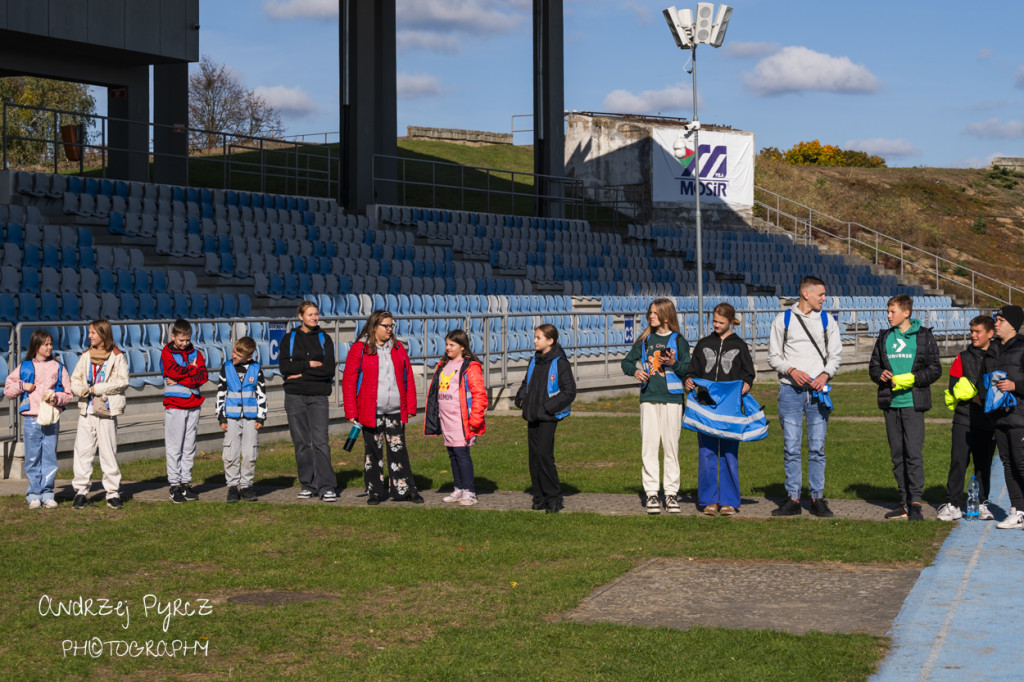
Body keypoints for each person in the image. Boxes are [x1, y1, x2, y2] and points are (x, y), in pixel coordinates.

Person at [768, 275, 842, 517]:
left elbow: (835, 356)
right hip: (790, 391)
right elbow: (773, 356)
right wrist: (791, 370)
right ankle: (793, 499)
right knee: (791, 447)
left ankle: (817, 498)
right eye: (820, 294)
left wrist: (825, 375)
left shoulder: (827, 320)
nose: (824, 298)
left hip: (818, 393)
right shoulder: (784, 319)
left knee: (817, 448)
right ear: (805, 294)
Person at [868, 294, 941, 521]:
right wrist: (880, 374)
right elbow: (873, 367)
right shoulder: (884, 337)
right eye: (887, 312)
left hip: (913, 404)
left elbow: (935, 369)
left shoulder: (924, 336)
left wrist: (914, 379)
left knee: (913, 454)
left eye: (892, 312)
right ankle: (904, 502)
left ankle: (916, 503)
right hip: (890, 404)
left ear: (906, 313)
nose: (888, 316)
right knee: (897, 455)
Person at [342, 310, 422, 504]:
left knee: (399, 450)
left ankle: (404, 489)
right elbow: (349, 380)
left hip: (394, 409)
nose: (389, 329)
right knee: (373, 452)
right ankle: (375, 491)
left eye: (391, 326)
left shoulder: (398, 348)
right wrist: (351, 411)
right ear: (374, 327)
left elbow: (408, 377)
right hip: (369, 411)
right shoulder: (359, 349)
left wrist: (410, 405)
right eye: (385, 326)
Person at [619, 297, 690, 514]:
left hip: (673, 399)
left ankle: (670, 494)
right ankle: (651, 494)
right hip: (648, 398)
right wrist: (635, 371)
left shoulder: (679, 341)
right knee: (649, 447)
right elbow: (626, 362)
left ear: (666, 315)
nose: (650, 316)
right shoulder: (645, 340)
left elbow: (687, 370)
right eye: (649, 312)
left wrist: (673, 363)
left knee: (671, 448)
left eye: (654, 312)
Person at [685, 303, 756, 516]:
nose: (716, 325)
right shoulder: (704, 343)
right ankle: (708, 500)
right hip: (706, 406)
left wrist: (747, 383)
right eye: (714, 321)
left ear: (731, 322)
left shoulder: (740, 345)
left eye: (721, 322)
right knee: (706, 454)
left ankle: (728, 501)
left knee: (728, 454)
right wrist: (688, 380)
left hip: (730, 409)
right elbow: (693, 370)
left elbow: (748, 373)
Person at [4, 329, 72, 509]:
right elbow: (8, 390)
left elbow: (68, 393)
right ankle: (34, 494)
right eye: (46, 344)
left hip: (51, 418)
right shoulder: (25, 366)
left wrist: (56, 398)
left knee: (49, 456)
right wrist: (22, 385)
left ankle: (48, 493)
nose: (50, 347)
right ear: (36, 346)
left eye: (51, 344)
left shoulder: (58, 367)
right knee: (33, 457)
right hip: (31, 419)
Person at [937, 315, 997, 521]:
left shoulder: (999, 356)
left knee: (983, 464)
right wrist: (975, 398)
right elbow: (953, 386)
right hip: (964, 418)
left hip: (989, 422)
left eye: (977, 332)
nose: (973, 335)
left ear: (990, 333)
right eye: (971, 331)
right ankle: (953, 504)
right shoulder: (961, 357)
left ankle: (981, 503)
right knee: (958, 462)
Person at [280, 301, 338, 502]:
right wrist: (310, 365)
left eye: (316, 314)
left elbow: (329, 370)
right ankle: (308, 483)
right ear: (300, 316)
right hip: (295, 396)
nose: (314, 318)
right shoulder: (290, 338)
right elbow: (285, 368)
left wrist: (301, 373)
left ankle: (327, 486)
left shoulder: (325, 338)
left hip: (318, 396)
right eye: (310, 314)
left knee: (321, 441)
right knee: (301, 442)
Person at [514, 324, 576, 514]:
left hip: (548, 417)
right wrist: (522, 398)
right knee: (534, 458)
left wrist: (549, 407)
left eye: (538, 337)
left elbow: (569, 391)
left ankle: (554, 497)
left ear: (550, 341)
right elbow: (526, 383)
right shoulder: (535, 360)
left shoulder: (560, 362)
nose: (534, 340)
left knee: (544, 456)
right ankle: (539, 496)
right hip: (532, 415)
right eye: (535, 337)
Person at [424, 329, 488, 507]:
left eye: (452, 345)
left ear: (462, 346)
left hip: (462, 420)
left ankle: (469, 490)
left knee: (462, 454)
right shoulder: (443, 365)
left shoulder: (469, 366)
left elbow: (479, 394)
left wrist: (475, 418)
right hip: (446, 418)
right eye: (446, 344)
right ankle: (458, 487)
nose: (447, 348)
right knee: (452, 454)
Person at [70, 320, 129, 510]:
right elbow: (75, 379)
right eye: (89, 333)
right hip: (86, 411)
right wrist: (81, 390)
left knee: (108, 452)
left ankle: (112, 493)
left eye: (93, 333)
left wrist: (99, 388)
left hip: (106, 410)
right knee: (83, 452)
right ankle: (80, 492)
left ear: (103, 335)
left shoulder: (117, 356)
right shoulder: (86, 356)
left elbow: (123, 381)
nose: (89, 336)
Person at [161, 318, 208, 504]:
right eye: (181, 340)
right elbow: (173, 372)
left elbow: (203, 375)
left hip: (193, 404)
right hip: (175, 405)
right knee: (174, 447)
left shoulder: (196, 352)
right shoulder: (167, 352)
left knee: (189, 446)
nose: (184, 343)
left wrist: (182, 378)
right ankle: (174, 484)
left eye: (187, 340)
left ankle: (185, 482)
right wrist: (190, 370)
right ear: (173, 337)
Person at [985, 305, 1024, 529]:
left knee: (1021, 464)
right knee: (1008, 464)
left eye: (999, 320)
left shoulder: (1022, 347)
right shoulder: (994, 349)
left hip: (1020, 417)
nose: (996, 324)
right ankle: (1018, 511)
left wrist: (1015, 385)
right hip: (1000, 417)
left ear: (1012, 324)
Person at [216, 336, 267, 503]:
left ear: (249, 357)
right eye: (234, 352)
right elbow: (221, 393)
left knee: (249, 452)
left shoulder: (256, 369)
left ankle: (246, 485)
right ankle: (232, 486)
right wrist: (221, 416)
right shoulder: (226, 367)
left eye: (239, 354)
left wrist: (261, 416)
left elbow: (261, 394)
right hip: (231, 416)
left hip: (251, 418)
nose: (234, 355)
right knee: (230, 451)